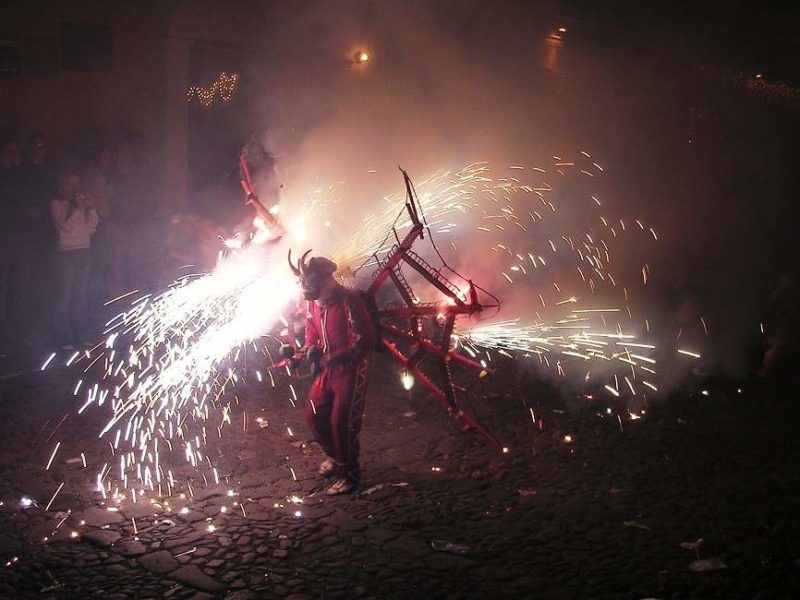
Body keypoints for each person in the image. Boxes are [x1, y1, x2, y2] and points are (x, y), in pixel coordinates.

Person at [288, 250, 375, 495]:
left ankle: (349, 474)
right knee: (313, 415)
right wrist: (304, 352)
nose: (306, 288)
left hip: (350, 370)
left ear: (326, 280)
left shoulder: (348, 299)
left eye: (309, 282)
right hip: (327, 370)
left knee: (341, 423)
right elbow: (312, 332)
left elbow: (364, 338)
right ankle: (338, 457)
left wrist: (336, 357)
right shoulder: (314, 305)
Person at [50, 168, 98, 349]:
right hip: (66, 253)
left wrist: (91, 210)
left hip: (84, 251)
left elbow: (92, 228)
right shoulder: (57, 204)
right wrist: (78, 207)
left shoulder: (81, 205)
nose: (74, 187)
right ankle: (63, 338)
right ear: (64, 185)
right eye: (71, 183)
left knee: (81, 296)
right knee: (64, 297)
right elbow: (66, 227)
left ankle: (81, 335)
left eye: (77, 183)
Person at [0, 138, 23, 348]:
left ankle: (10, 323)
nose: (14, 155)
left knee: (13, 282)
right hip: (4, 235)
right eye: (10, 151)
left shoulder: (17, 175)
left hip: (16, 235)